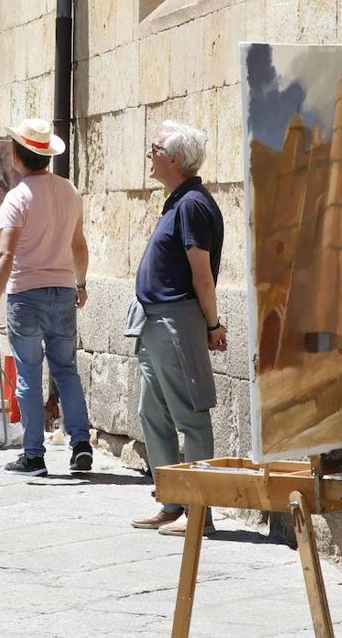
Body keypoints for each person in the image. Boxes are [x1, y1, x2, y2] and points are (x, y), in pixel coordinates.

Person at [127, 121, 227, 536]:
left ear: (174, 158)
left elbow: (201, 275)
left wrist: (213, 324)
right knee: (152, 412)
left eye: (154, 148)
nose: (149, 154)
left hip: (176, 320)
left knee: (190, 415)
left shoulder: (191, 205)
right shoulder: (178, 201)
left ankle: (200, 511)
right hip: (155, 321)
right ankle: (170, 501)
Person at [0, 118, 92, 476]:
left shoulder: (18, 198)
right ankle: (81, 444)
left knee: (28, 372)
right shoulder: (69, 191)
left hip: (25, 294)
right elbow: (78, 245)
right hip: (62, 291)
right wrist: (81, 282)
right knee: (66, 370)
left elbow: (4, 254)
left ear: (16, 156)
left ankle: (33, 454)